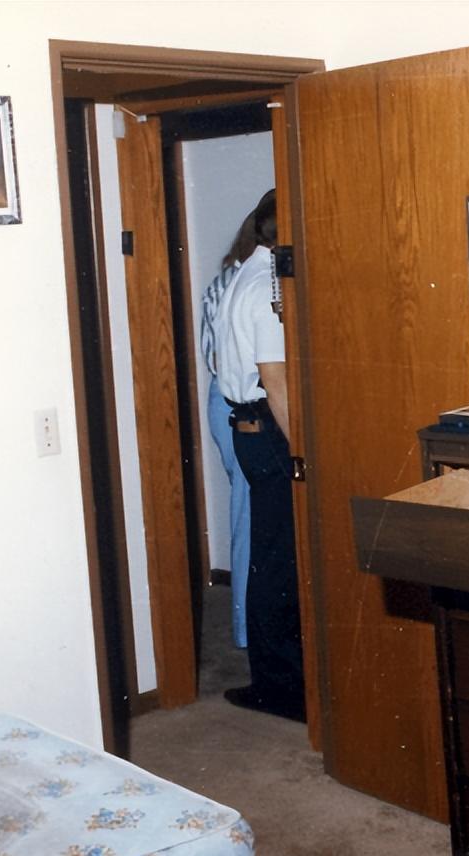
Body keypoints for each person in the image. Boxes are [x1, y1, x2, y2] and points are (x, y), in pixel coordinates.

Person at [211, 189, 305, 721]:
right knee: (279, 563)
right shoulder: (269, 284)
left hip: (251, 429)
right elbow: (275, 379)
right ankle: (281, 687)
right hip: (268, 430)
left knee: (271, 557)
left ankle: (275, 680)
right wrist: (303, 452)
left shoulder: (248, 272)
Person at [200, 210, 260, 650]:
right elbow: (224, 364)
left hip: (248, 399)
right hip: (233, 401)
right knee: (248, 514)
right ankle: (245, 631)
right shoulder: (231, 283)